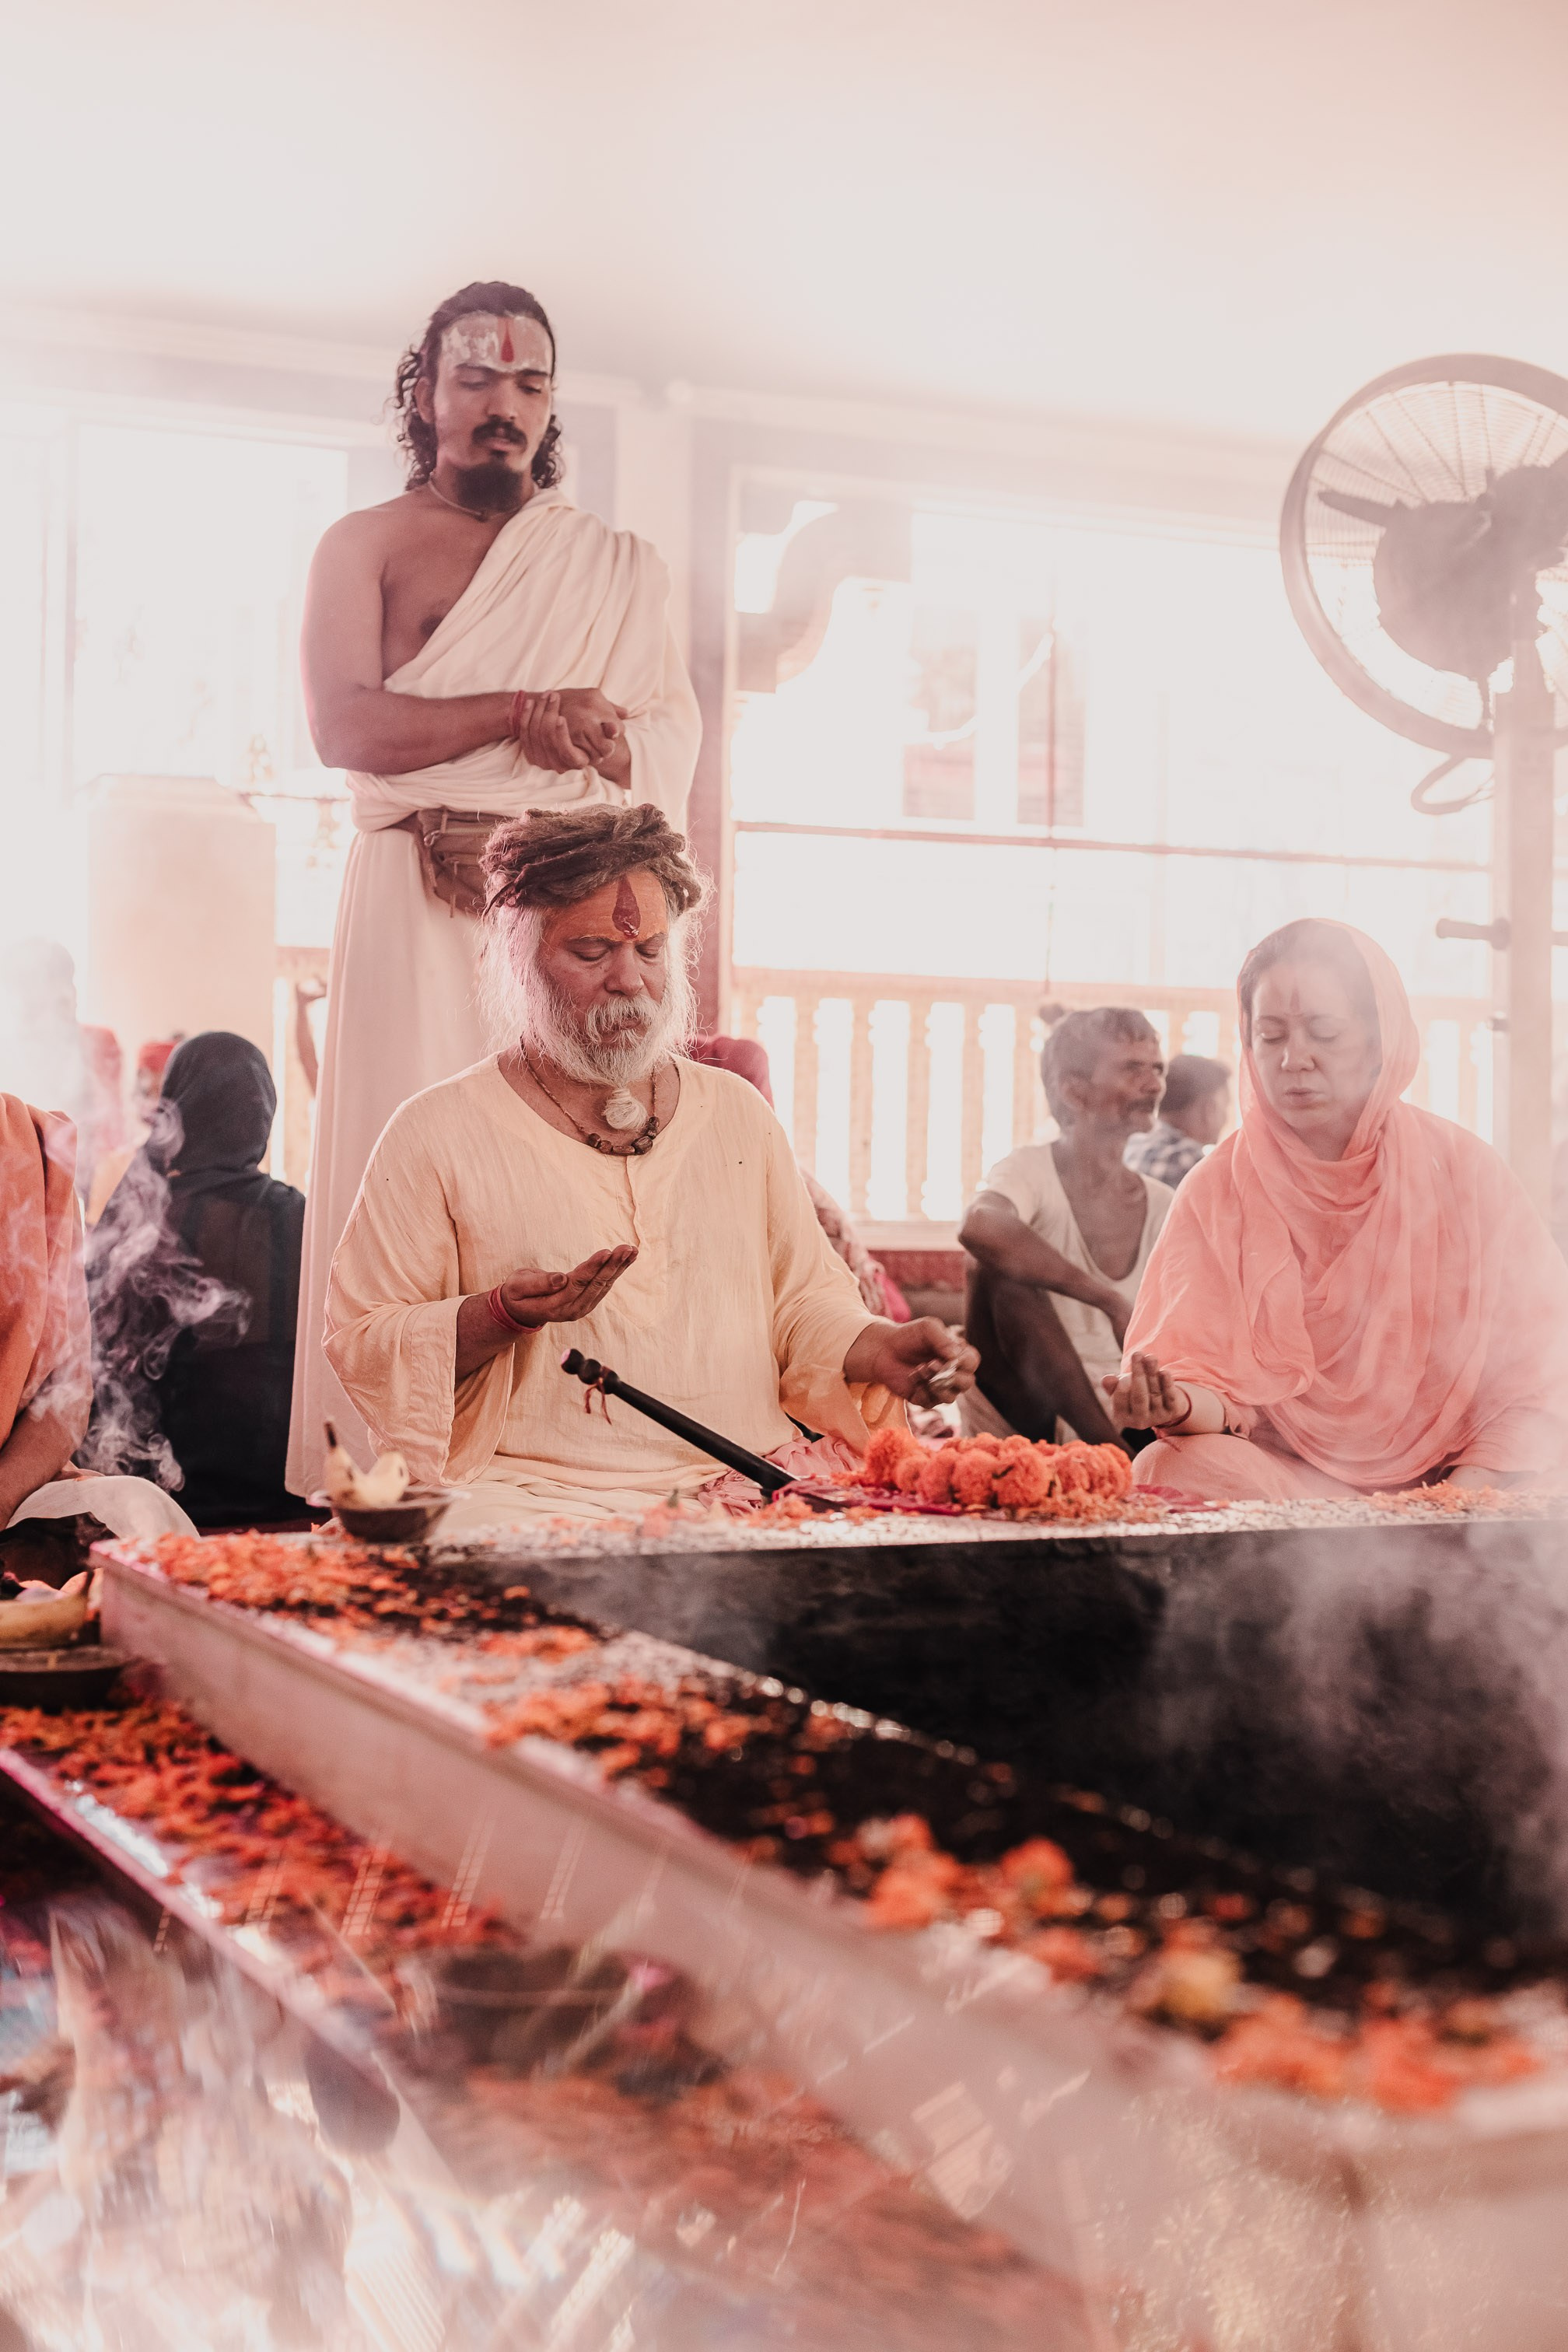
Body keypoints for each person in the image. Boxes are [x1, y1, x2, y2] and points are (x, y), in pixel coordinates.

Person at [288, 279, 702, 1500]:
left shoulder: (612, 566)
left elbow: (666, 737)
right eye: (477, 379)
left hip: (557, 915)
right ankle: (381, 1473)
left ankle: (558, 1459)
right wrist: (526, 715)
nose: (504, 407)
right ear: (423, 394)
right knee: (401, 1146)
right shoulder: (361, 545)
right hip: (413, 890)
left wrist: (591, 765)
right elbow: (342, 725)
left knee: (555, 1159)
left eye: (531, 385)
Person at [324, 805, 976, 1530]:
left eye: (652, 951)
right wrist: (500, 1314)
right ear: (520, 957)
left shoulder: (736, 1113)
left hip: (746, 1482)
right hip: (530, 1495)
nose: (629, 980)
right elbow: (365, 1341)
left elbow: (803, 1307)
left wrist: (880, 1349)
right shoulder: (436, 1130)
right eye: (592, 952)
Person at [1105, 919, 1568, 1500]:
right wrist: (1175, 1403)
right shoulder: (1218, 1188)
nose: (1294, 1059)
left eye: (1323, 1032)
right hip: (1298, 1492)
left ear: (1379, 1043)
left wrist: (1457, 1502)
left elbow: (1541, 1373)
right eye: (1271, 1037)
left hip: (1461, 1486)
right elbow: (1208, 1387)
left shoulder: (1461, 1171)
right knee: (1166, 1469)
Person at [87, 1034, 306, 1528]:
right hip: (284, 1506)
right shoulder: (298, 1216)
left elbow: (96, 1365)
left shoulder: (138, 1217)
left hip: (156, 1509)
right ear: (262, 1115)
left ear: (179, 1109)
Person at [958, 1007, 1174, 1446]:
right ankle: (1112, 1457)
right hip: (1029, 1412)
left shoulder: (1164, 1203)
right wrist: (1110, 1301)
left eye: (1157, 1069)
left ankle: (1123, 1454)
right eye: (1133, 1069)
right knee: (994, 1271)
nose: (1154, 1085)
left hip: (1125, 1405)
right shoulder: (1028, 1169)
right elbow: (979, 1225)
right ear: (1074, 1093)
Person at [0, 1095, 193, 1580]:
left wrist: (0, 1499)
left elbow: (65, 1400)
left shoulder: (35, 1150)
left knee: (141, 1511)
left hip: (10, 1488)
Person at [1124, 1052, 1230, 1188]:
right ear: (1208, 1110)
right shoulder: (1191, 1162)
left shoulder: (1133, 1143)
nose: (1226, 1118)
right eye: (1225, 1107)